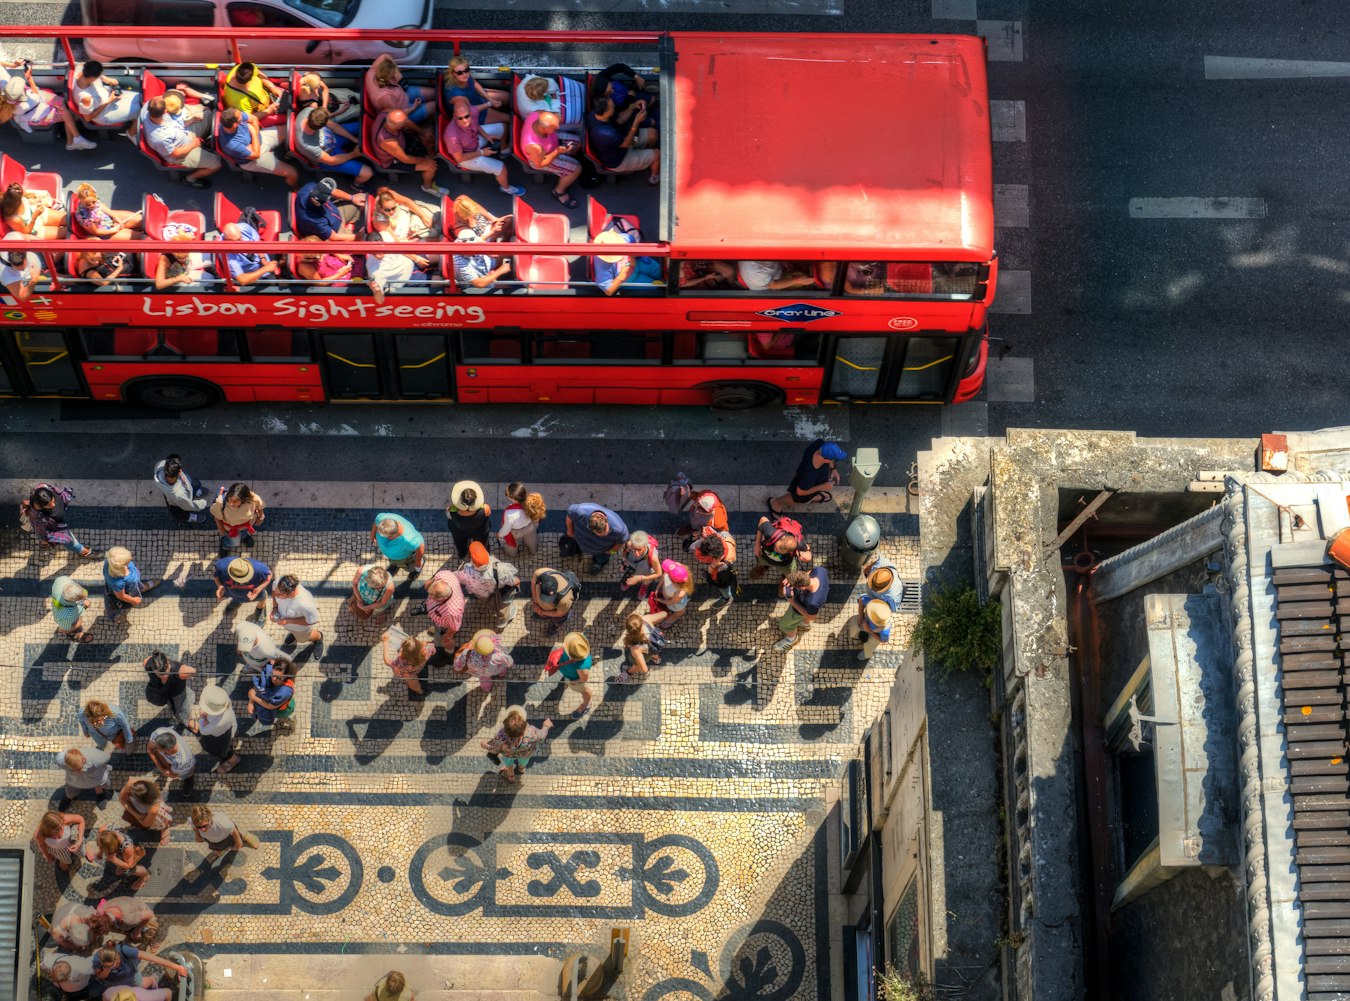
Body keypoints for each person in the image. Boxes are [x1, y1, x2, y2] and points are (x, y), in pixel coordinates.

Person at [442, 96, 524, 195]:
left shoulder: (471, 113)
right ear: (454, 116)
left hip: (473, 139)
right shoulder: (452, 137)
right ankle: (506, 188)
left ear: (470, 112)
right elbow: (459, 158)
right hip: (466, 157)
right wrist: (482, 152)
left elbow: (475, 125)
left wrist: (486, 135)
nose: (465, 121)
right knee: (501, 168)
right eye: (460, 118)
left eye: (467, 116)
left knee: (503, 127)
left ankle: (503, 150)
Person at [0, 73, 95, 149]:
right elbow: (37, 94)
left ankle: (72, 142)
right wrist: (30, 78)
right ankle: (75, 139)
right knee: (72, 114)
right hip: (38, 114)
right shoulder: (24, 105)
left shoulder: (9, 98)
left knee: (66, 108)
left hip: (35, 107)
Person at [141, 94, 219, 188]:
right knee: (216, 163)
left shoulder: (147, 107)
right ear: (165, 111)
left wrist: (191, 120)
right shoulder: (161, 138)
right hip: (182, 154)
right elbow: (175, 154)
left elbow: (176, 124)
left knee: (209, 115)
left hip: (183, 134)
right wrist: (194, 144)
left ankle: (204, 142)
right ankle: (189, 179)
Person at [586, 94, 659, 183]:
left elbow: (619, 119)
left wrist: (632, 107)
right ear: (606, 113)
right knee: (657, 154)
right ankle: (654, 178)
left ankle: (645, 156)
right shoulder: (605, 133)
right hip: (620, 159)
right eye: (612, 107)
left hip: (622, 142)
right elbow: (626, 144)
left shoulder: (596, 114)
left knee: (653, 134)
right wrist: (636, 123)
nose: (614, 106)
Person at [371, 109, 445, 196]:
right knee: (431, 166)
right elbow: (405, 159)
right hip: (394, 160)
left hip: (403, 143)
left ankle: (430, 152)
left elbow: (407, 122)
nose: (407, 122)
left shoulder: (385, 114)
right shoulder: (388, 142)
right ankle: (428, 187)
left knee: (428, 139)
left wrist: (422, 132)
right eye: (404, 122)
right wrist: (424, 160)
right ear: (399, 127)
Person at [218, 108, 298, 186]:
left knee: (293, 129)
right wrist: (253, 133)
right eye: (240, 117)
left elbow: (254, 119)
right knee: (293, 173)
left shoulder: (232, 117)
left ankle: (289, 154)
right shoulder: (232, 145)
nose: (243, 115)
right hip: (253, 160)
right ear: (235, 125)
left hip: (260, 139)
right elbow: (256, 155)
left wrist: (255, 137)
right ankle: (296, 188)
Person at [295, 106, 373, 185]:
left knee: (363, 126)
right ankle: (356, 185)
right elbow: (331, 161)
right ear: (321, 127)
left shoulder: (310, 112)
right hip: (329, 156)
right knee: (367, 173)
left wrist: (353, 139)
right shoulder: (308, 146)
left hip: (333, 136)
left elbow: (333, 126)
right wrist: (354, 154)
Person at [520, 110, 582, 209]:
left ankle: (570, 156)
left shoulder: (535, 115)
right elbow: (539, 164)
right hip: (542, 158)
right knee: (576, 168)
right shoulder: (535, 146)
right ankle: (558, 192)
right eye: (554, 128)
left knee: (578, 141)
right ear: (543, 129)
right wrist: (557, 152)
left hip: (552, 142)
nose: (557, 129)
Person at [21, 482, 99, 557]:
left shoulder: (42, 488)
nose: (54, 505)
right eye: (49, 505)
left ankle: (44, 546)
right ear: (41, 506)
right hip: (58, 529)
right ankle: (85, 553)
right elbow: (41, 533)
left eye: (53, 500)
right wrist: (44, 542)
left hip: (58, 521)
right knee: (71, 543)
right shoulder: (38, 519)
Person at [769, 439, 846, 514]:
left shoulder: (819, 444)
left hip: (811, 481)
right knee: (796, 498)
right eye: (834, 460)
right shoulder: (809, 475)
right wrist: (822, 487)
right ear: (826, 459)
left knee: (809, 495)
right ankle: (775, 503)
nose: (834, 461)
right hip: (805, 487)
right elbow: (800, 492)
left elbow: (829, 459)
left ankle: (813, 497)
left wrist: (833, 469)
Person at [457, 541, 520, 629]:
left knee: (488, 600)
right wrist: (517, 584)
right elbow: (514, 581)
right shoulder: (500, 570)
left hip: (481, 595)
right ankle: (504, 621)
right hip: (498, 594)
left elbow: (456, 577)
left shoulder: (465, 572)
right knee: (504, 608)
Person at [481, 706, 552, 783]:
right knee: (524, 761)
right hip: (526, 754)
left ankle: (511, 777)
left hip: (508, 755)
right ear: (524, 726)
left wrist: (485, 745)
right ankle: (521, 769)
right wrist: (546, 726)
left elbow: (494, 749)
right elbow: (542, 735)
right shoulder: (531, 732)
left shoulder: (500, 736)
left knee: (508, 763)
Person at [593, 224, 663, 296]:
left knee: (661, 271)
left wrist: (632, 257)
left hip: (639, 261)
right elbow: (608, 291)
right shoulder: (601, 263)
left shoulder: (625, 238)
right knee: (657, 288)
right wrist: (621, 276)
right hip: (630, 278)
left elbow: (634, 244)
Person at [188, 804, 260, 874]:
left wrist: (238, 841)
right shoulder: (193, 820)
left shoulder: (222, 823)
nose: (202, 829)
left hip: (226, 836)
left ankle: (246, 835)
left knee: (240, 833)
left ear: (209, 819)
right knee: (217, 847)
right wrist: (197, 835)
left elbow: (233, 830)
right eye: (199, 827)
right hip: (213, 841)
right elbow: (195, 828)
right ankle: (220, 849)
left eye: (204, 826)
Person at [91, 942, 186, 993]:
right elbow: (100, 976)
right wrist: (107, 970)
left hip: (131, 976)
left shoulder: (124, 950)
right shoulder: (98, 959)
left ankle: (153, 979)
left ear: (118, 955)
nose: (115, 966)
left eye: (115, 963)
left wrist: (177, 967)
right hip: (113, 982)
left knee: (142, 984)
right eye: (111, 966)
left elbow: (152, 958)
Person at [774, 566, 829, 652]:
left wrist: (791, 600)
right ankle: (805, 623)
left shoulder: (813, 601)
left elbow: (811, 617)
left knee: (784, 625)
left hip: (798, 612)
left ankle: (791, 638)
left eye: (793, 586)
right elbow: (809, 572)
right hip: (809, 605)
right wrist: (793, 579)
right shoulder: (819, 570)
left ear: (802, 588)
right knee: (808, 615)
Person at [564, 501, 629, 573]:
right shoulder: (579, 512)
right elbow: (570, 514)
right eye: (601, 535)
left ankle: (599, 563)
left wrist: (611, 551)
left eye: (607, 532)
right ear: (591, 528)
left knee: (601, 559)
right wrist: (570, 531)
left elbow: (621, 541)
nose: (606, 534)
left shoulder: (619, 529)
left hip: (602, 551)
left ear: (606, 520)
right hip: (580, 541)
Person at [72, 59, 141, 127]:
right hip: (103, 113)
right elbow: (88, 118)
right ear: (92, 78)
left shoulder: (81, 70)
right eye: (99, 76)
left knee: (141, 97)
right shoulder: (86, 98)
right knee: (140, 110)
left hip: (110, 96)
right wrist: (109, 101)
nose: (100, 76)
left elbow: (82, 64)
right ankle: (131, 132)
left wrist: (106, 79)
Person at [364, 54, 434, 120]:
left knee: (434, 92)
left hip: (402, 94)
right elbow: (396, 115)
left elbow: (385, 56)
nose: (396, 77)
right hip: (404, 112)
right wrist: (414, 107)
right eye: (393, 75)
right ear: (389, 79)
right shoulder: (386, 98)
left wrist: (397, 72)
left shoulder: (372, 73)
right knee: (435, 105)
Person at [295, 178, 366, 243]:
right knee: (362, 241)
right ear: (325, 202)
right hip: (334, 230)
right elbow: (334, 237)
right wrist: (358, 236)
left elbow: (331, 191)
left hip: (335, 212)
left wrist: (352, 198)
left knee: (363, 201)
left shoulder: (309, 187)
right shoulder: (314, 221)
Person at [443, 56, 508, 125]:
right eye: (459, 73)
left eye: (466, 70)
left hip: (477, 98)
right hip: (475, 113)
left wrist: (489, 99)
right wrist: (490, 103)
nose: (464, 74)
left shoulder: (465, 77)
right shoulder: (457, 96)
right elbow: (471, 110)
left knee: (507, 97)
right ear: (453, 73)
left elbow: (474, 83)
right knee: (508, 118)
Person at [222, 61, 288, 127]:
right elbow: (248, 118)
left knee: (289, 97)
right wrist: (269, 111)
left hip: (269, 95)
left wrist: (272, 87)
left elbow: (259, 73)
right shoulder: (238, 101)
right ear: (250, 79)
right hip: (262, 115)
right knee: (288, 118)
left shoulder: (243, 69)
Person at [104, 546, 161, 620]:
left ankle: (142, 587)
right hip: (125, 590)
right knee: (111, 605)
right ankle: (115, 616)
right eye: (127, 561)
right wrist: (133, 600)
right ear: (120, 565)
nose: (131, 558)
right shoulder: (118, 582)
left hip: (132, 584)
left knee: (137, 585)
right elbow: (121, 596)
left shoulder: (111, 562)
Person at [84, 825, 149, 891]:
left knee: (128, 871)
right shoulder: (103, 830)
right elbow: (103, 843)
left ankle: (145, 875)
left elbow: (128, 865)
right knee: (119, 869)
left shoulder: (127, 848)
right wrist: (101, 852)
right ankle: (120, 865)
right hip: (119, 851)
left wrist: (114, 859)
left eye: (106, 851)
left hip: (127, 855)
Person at [270, 573, 323, 652]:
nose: (276, 596)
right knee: (294, 633)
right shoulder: (280, 583)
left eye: (280, 594)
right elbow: (274, 591)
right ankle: (294, 634)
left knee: (303, 640)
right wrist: (275, 608)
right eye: (277, 592)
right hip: (288, 626)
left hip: (301, 629)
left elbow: (311, 621)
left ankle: (319, 637)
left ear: (291, 593)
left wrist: (288, 621)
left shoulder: (306, 605)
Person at [210, 481, 266, 555]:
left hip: (246, 525)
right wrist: (221, 529)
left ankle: (243, 537)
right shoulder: (221, 502)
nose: (231, 503)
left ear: (243, 499)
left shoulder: (253, 499)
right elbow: (216, 515)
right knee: (234, 542)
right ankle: (225, 544)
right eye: (230, 499)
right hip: (230, 528)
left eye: (235, 501)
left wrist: (261, 516)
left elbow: (259, 506)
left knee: (244, 533)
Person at [221, 219, 281, 289]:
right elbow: (242, 280)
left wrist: (263, 260)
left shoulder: (244, 227)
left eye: (240, 238)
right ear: (227, 241)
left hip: (264, 265)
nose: (240, 242)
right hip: (250, 278)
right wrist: (265, 269)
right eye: (236, 241)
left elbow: (257, 242)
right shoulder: (226, 254)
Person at [195, 684, 241, 774]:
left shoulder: (216, 724)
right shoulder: (226, 702)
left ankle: (233, 760)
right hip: (231, 727)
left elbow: (203, 731)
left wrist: (203, 718)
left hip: (220, 738)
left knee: (223, 751)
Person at [751, 513, 812, 581]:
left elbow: (808, 553)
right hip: (765, 557)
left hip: (785, 564)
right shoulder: (771, 533)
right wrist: (757, 545)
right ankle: (765, 567)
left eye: (778, 550)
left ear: (789, 551)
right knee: (762, 562)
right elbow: (763, 519)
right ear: (782, 538)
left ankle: (784, 577)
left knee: (789, 575)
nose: (775, 550)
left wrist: (806, 558)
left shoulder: (799, 545)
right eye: (776, 547)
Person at [152, 453, 209, 525]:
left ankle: (194, 492)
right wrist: (202, 503)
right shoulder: (179, 495)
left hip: (182, 488)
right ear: (179, 472)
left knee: (195, 484)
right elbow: (188, 506)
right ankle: (189, 517)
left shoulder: (161, 465)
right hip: (178, 501)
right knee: (181, 512)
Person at [73, 183, 142, 240]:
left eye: (93, 202)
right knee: (141, 237)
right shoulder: (83, 216)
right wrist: (113, 230)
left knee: (142, 220)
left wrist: (115, 217)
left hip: (108, 220)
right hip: (105, 233)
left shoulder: (93, 197)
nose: (92, 205)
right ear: (81, 200)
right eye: (87, 205)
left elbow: (101, 206)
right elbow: (96, 232)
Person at [452, 628, 513, 693]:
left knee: (485, 680)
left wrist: (457, 667)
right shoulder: (498, 650)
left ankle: (486, 688)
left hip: (482, 673)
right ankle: (502, 674)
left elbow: (458, 664)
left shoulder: (468, 654)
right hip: (496, 669)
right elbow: (508, 660)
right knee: (501, 669)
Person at [691, 525, 738, 609]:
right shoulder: (719, 538)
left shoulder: (723, 568)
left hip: (722, 573)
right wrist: (701, 532)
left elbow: (714, 581)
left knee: (723, 587)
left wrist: (712, 567)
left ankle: (727, 597)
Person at [381, 625, 436, 698]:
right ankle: (419, 691)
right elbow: (433, 650)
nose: (401, 649)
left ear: (404, 652)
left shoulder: (401, 663)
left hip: (408, 673)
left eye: (402, 649)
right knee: (413, 680)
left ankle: (419, 691)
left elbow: (387, 661)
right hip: (418, 667)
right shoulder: (427, 649)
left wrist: (385, 642)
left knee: (412, 682)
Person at [610, 612, 662, 684]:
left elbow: (644, 670)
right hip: (654, 645)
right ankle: (657, 659)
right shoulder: (647, 619)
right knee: (654, 652)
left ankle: (629, 673)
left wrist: (640, 666)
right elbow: (664, 614)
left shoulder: (636, 649)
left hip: (645, 652)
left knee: (636, 665)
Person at [118, 776, 174, 845]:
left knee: (162, 822)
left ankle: (165, 828)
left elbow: (146, 824)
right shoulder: (133, 784)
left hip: (153, 816)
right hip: (139, 812)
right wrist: (137, 815)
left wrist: (134, 813)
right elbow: (121, 798)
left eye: (132, 795)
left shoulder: (153, 808)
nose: (129, 793)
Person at [369, 186, 437, 242]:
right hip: (405, 232)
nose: (391, 212)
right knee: (434, 233)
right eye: (387, 210)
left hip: (408, 214)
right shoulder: (379, 221)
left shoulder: (388, 195)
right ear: (380, 208)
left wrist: (423, 216)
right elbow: (395, 240)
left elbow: (406, 202)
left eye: (393, 208)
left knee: (436, 212)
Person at [550, 631, 593, 718]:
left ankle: (587, 704)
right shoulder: (577, 643)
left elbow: (583, 679)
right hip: (567, 672)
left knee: (584, 691)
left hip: (573, 680)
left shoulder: (582, 667)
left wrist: (574, 682)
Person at [446, 480, 492, 560]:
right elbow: (488, 514)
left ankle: (463, 554)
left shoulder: (451, 511)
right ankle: (482, 554)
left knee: (460, 544)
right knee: (482, 543)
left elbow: (448, 515)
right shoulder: (485, 509)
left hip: (459, 532)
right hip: (480, 531)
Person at [372, 512, 426, 579]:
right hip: (393, 557)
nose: (377, 531)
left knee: (411, 568)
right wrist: (372, 534)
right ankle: (395, 564)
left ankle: (416, 569)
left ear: (391, 536)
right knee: (395, 562)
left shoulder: (409, 540)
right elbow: (376, 522)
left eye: (381, 534)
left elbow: (420, 546)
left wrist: (418, 564)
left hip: (406, 559)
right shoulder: (383, 520)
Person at [424, 569, 466, 655]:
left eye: (431, 595)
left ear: (441, 599)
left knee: (441, 638)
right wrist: (431, 584)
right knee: (438, 628)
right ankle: (437, 629)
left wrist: (446, 637)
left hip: (445, 625)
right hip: (438, 617)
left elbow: (454, 627)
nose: (429, 595)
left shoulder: (453, 612)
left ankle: (449, 650)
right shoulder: (443, 575)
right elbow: (426, 585)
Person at [497, 483, 545, 556]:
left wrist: (500, 534)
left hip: (516, 532)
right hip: (530, 527)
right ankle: (533, 551)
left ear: (512, 498)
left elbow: (506, 529)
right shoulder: (531, 503)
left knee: (511, 549)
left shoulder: (509, 513)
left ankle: (512, 553)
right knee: (532, 542)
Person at [247, 657, 296, 729]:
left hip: (282, 709)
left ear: (286, 678)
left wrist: (253, 697)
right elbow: (258, 687)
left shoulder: (285, 692)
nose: (274, 679)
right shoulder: (268, 672)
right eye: (272, 674)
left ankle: (292, 723)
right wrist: (251, 702)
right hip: (273, 705)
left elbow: (270, 706)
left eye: (279, 678)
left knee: (285, 718)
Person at [647, 559, 694, 629]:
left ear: (673, 581)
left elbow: (671, 602)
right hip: (669, 596)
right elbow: (664, 575)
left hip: (676, 603)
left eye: (668, 572)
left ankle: (675, 616)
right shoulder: (677, 566)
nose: (666, 572)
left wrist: (661, 600)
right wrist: (658, 587)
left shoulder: (680, 593)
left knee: (680, 610)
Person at [0, 232, 47, 303]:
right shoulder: (6, 274)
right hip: (36, 273)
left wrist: (43, 244)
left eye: (23, 266)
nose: (22, 269)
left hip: (38, 254)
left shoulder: (13, 238)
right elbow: (22, 296)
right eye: (18, 269)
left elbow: (25, 236)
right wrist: (34, 279)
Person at [531, 567, 579, 635]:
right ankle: (543, 615)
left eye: (550, 598)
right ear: (541, 583)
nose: (546, 601)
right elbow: (533, 583)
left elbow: (559, 614)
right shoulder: (539, 573)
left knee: (559, 619)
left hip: (559, 609)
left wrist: (541, 611)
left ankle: (554, 627)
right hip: (545, 607)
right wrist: (535, 601)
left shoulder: (565, 600)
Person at [619, 530, 661, 598]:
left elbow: (659, 573)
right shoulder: (629, 544)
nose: (636, 553)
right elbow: (624, 552)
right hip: (632, 569)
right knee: (629, 577)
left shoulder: (653, 556)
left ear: (645, 546)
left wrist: (640, 578)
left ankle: (644, 587)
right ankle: (628, 582)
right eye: (634, 549)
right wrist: (624, 561)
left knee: (646, 582)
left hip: (646, 574)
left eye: (639, 550)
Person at [51, 577, 94, 643]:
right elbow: (65, 627)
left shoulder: (62, 580)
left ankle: (76, 632)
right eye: (81, 598)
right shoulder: (67, 615)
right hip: (65, 619)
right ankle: (71, 633)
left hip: (56, 604)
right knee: (64, 629)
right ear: (72, 601)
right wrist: (78, 624)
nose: (85, 596)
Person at [737, 260, 817, 292]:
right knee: (800, 279)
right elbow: (774, 285)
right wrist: (798, 280)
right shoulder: (755, 274)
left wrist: (782, 261)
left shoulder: (759, 252)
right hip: (773, 287)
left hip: (777, 272)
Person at [856, 597, 895, 661]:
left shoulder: (885, 631)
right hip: (865, 623)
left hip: (873, 635)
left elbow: (883, 640)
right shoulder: (874, 605)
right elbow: (861, 600)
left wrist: (869, 631)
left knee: (869, 646)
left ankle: (866, 655)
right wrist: (860, 617)